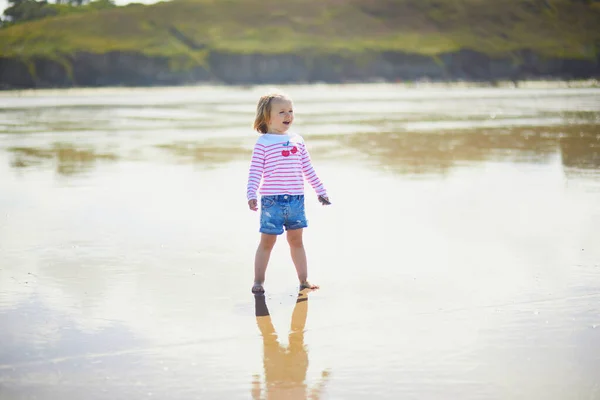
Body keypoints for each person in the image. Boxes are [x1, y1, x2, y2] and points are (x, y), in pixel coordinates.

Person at [247, 91, 331, 294]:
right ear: (266, 117)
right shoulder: (263, 143)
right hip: (271, 202)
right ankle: (258, 281)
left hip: (296, 201)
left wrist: (321, 190)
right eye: (282, 112)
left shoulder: (297, 140)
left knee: (297, 241)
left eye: (291, 111)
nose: (288, 115)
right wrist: (251, 194)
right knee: (267, 242)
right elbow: (255, 171)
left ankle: (304, 280)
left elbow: (308, 169)